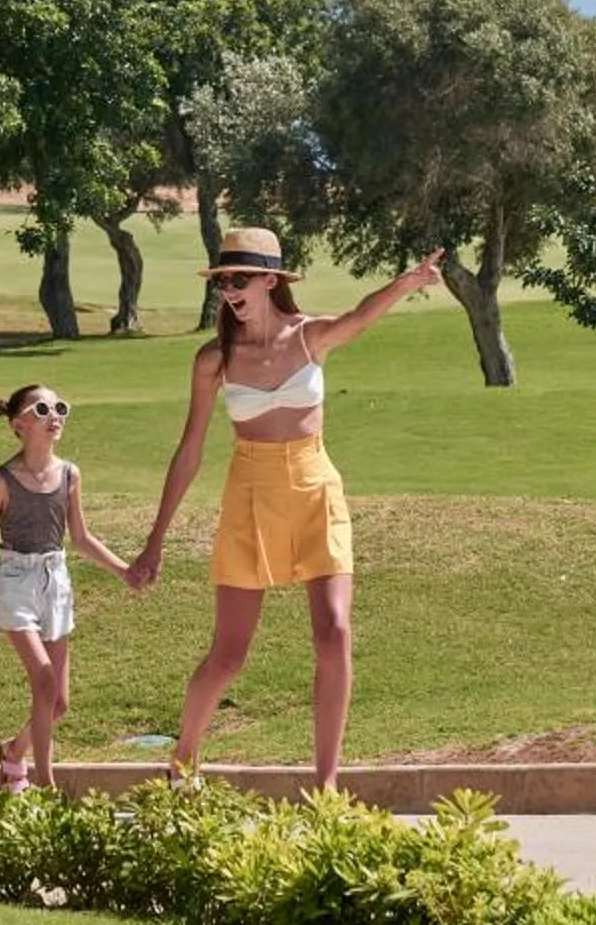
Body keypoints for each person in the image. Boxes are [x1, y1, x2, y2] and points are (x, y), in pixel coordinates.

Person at [127, 227, 443, 790]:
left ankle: (324, 784)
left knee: (336, 631)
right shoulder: (214, 359)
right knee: (228, 655)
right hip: (248, 496)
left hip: (316, 489)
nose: (229, 289)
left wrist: (411, 280)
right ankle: (183, 760)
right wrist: (156, 540)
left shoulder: (308, 337)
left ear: (271, 281)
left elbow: (361, 316)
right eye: (223, 280)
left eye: (239, 279)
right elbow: (191, 449)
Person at [0, 381, 137, 792]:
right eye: (41, 410)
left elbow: (82, 539)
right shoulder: (2, 479)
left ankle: (14, 752)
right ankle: (47, 787)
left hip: (56, 582)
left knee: (59, 703)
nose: (53, 416)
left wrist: (126, 571)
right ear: (18, 424)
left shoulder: (69, 474)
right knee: (46, 682)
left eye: (59, 408)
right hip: (15, 581)